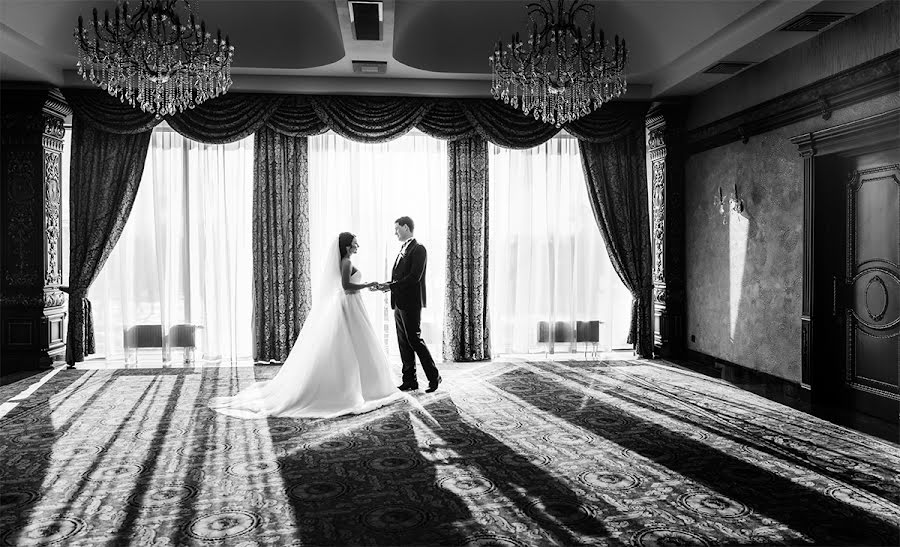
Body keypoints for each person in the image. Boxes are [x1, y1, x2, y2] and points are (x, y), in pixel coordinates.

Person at [209, 232, 404, 418]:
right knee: (353, 344)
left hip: (353, 304)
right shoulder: (346, 262)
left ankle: (365, 385)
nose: (357, 246)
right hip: (350, 303)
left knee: (359, 345)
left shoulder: (345, 261)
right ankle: (357, 388)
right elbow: (346, 286)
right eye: (354, 243)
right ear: (346, 246)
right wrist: (367, 285)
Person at [372, 216, 441, 393]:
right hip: (399, 303)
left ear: (406, 227)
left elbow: (413, 278)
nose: (395, 232)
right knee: (403, 342)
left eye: (397, 229)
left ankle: (434, 377)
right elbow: (399, 277)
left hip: (411, 303)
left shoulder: (419, 249)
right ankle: (409, 380)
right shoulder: (403, 248)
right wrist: (386, 286)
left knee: (415, 340)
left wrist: (391, 286)